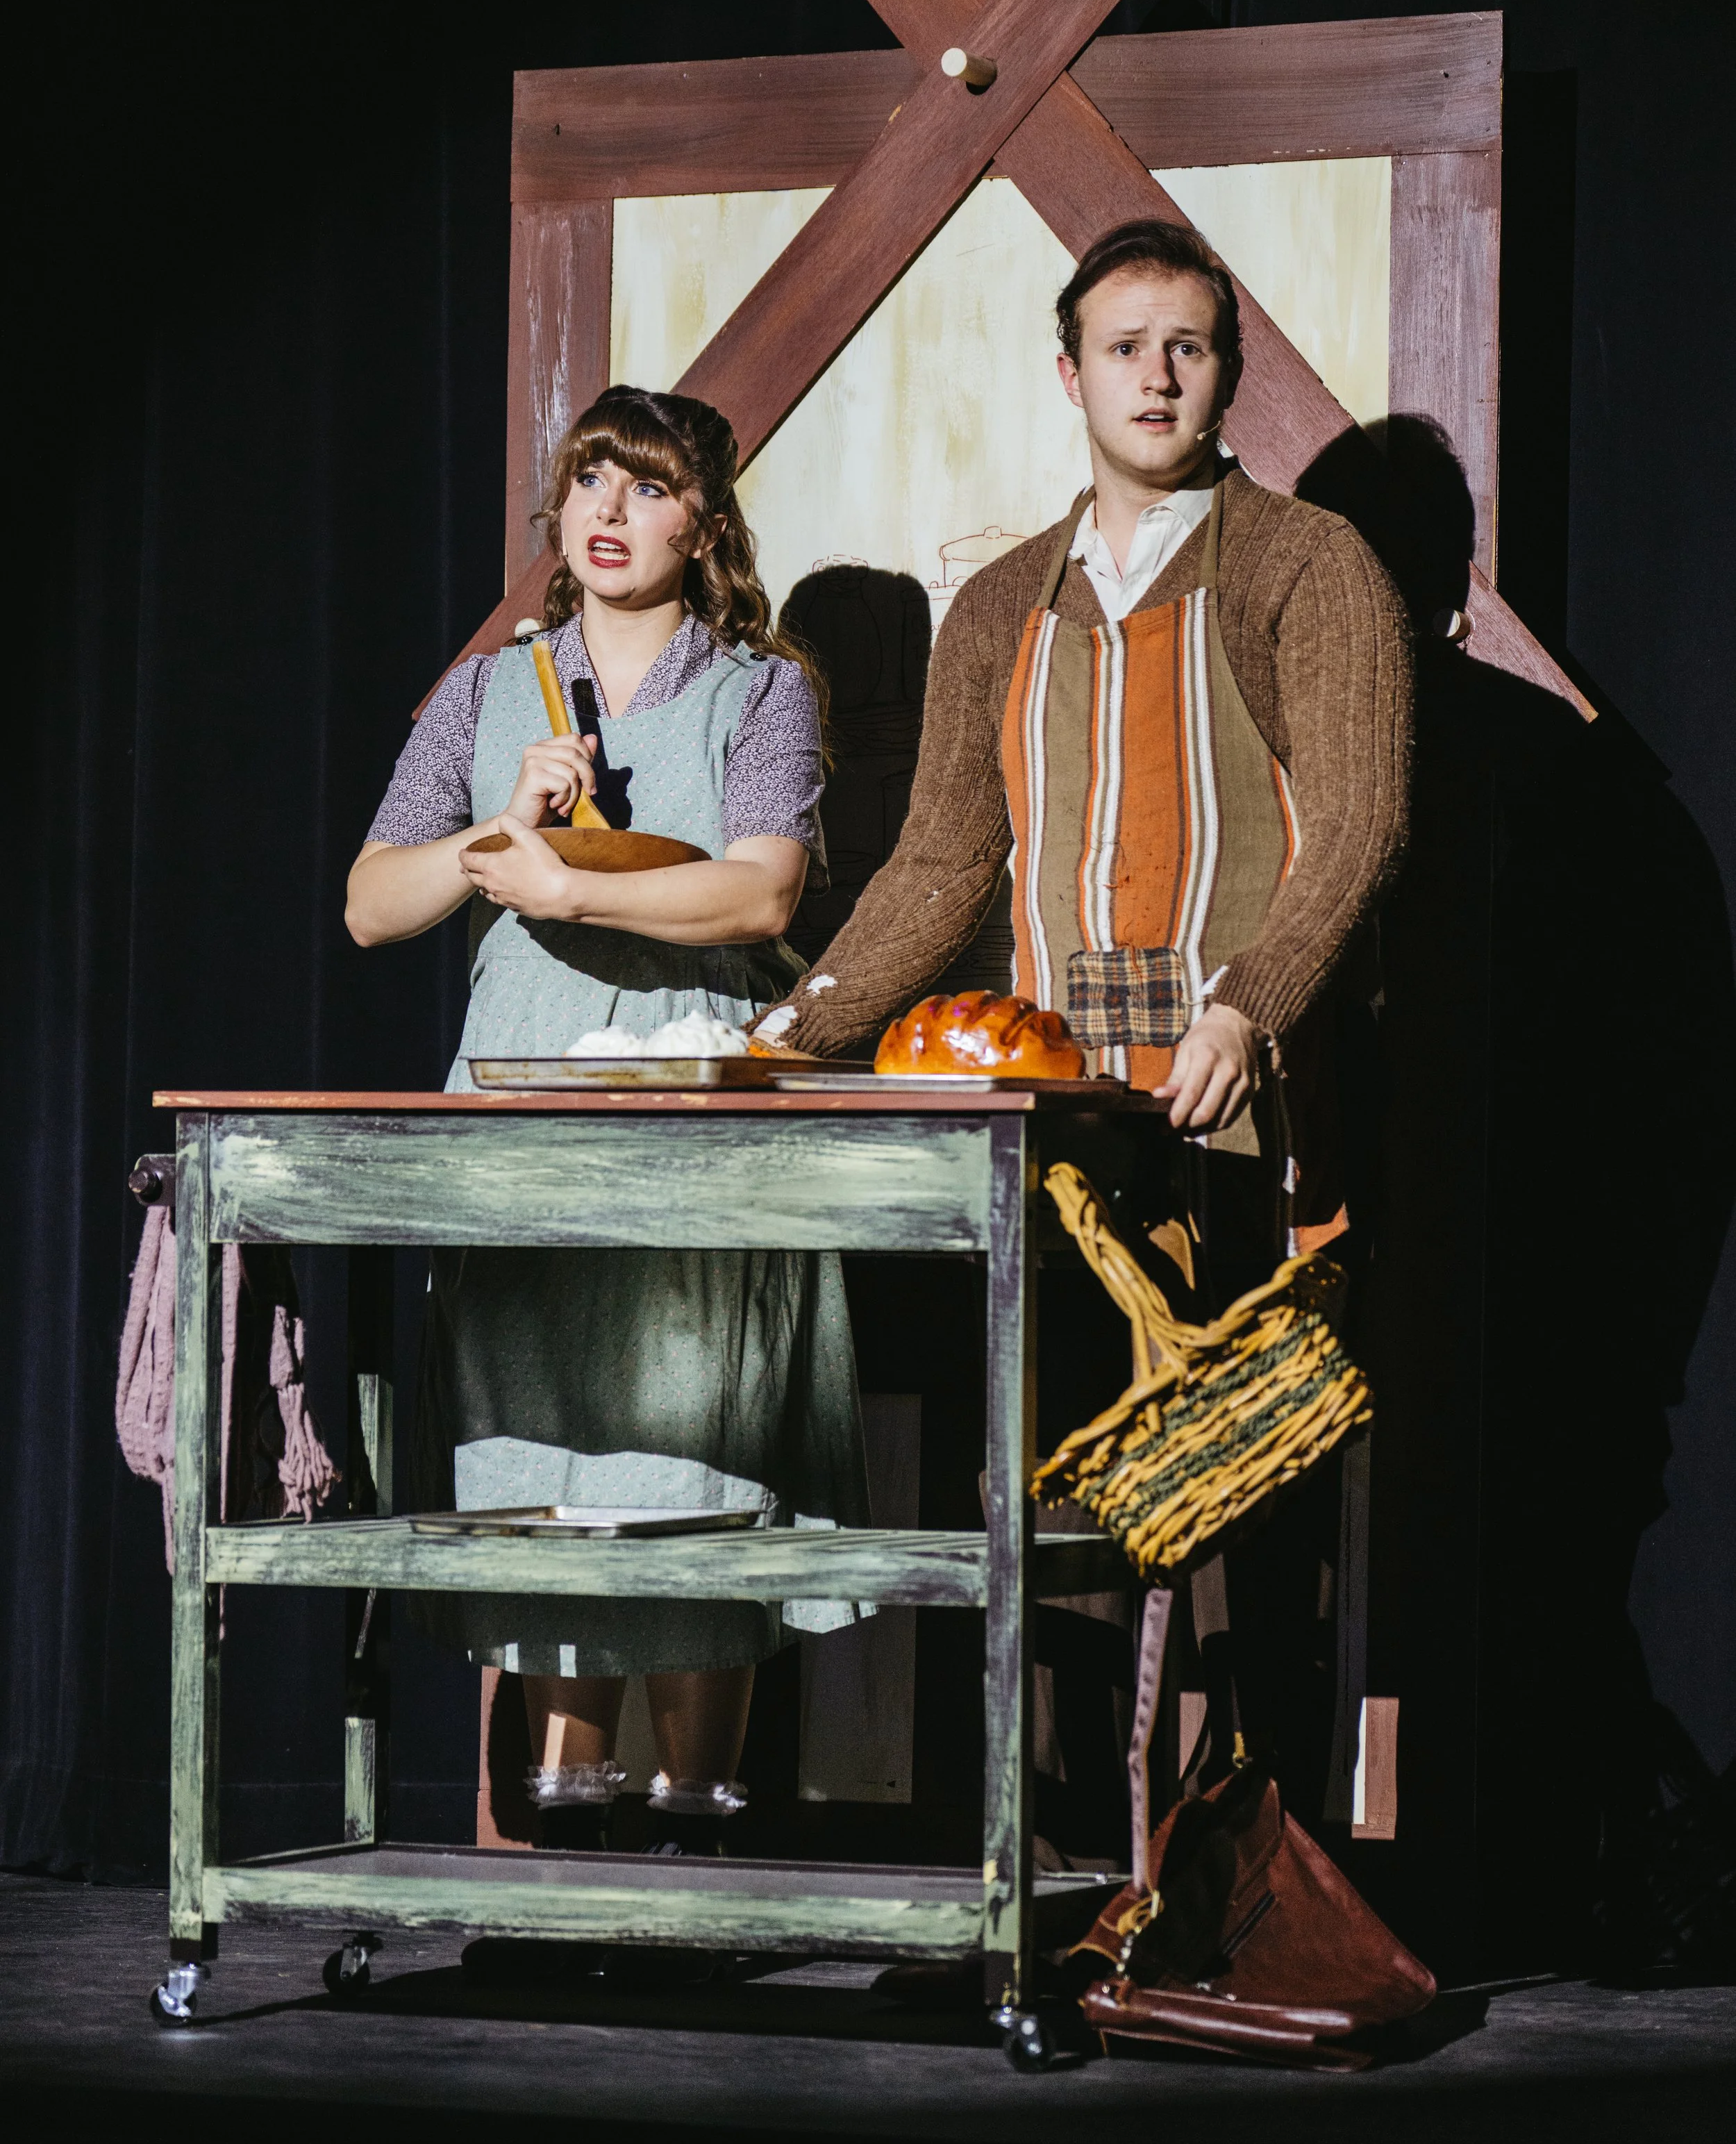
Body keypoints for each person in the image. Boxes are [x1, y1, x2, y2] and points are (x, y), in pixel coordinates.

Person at [755, 218, 1414, 1799]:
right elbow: (933, 868)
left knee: (1255, 1510)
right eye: (1123, 346)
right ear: (1070, 373)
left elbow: (1361, 823)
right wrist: (797, 1029)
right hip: (1052, 1142)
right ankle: (1048, 1879)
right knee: (1055, 1507)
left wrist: (1249, 1006)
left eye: (1184, 345)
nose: (1155, 373)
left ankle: (1259, 1880)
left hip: (1246, 1125)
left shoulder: (1305, 566)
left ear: (1225, 372)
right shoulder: (997, 606)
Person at [348, 385, 870, 1851]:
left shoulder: (760, 687)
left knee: (691, 1436)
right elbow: (371, 905)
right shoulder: (490, 685)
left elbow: (763, 890)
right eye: (591, 480)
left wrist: (576, 887)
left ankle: (696, 1810)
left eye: (648, 489)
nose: (611, 513)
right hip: (519, 1104)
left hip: (688, 1089)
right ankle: (566, 1807)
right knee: (540, 1446)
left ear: (704, 525)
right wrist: (489, 838)